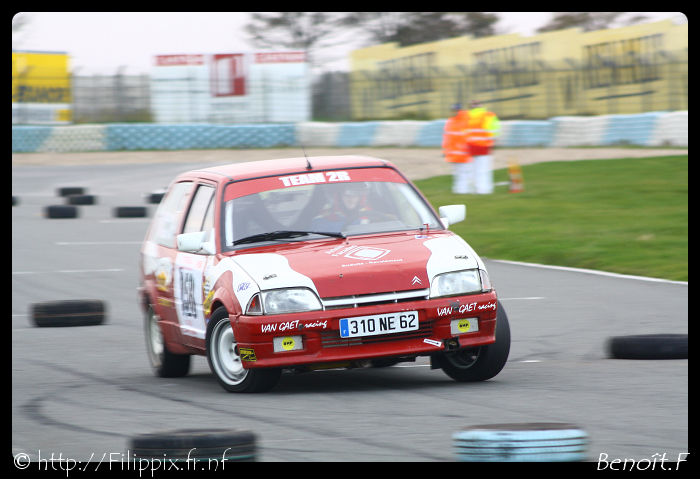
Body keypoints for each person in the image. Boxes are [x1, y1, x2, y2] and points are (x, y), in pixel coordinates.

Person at [466, 100, 500, 194]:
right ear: (481, 106)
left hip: (470, 146)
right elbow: (495, 131)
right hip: (484, 146)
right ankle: (483, 190)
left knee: (471, 170)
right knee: (484, 169)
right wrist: (493, 141)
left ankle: (472, 189)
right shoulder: (489, 115)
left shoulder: (466, 116)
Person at [442, 103, 473, 194]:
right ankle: (460, 190)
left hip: (462, 153)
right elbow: (447, 137)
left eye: (456, 110)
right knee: (459, 174)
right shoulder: (452, 121)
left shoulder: (462, 121)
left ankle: (462, 190)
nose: (454, 112)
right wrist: (445, 150)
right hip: (456, 153)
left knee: (463, 173)